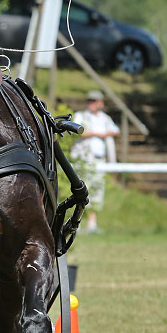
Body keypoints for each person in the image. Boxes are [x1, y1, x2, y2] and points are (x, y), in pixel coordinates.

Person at [71, 91, 119, 234]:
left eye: (94, 100)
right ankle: (76, 223)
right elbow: (78, 131)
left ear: (101, 103)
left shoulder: (105, 118)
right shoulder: (81, 115)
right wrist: (98, 134)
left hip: (99, 159)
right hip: (84, 159)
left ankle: (92, 223)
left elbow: (115, 130)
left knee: (97, 190)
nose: (91, 103)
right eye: (90, 100)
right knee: (81, 191)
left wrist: (105, 133)